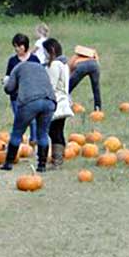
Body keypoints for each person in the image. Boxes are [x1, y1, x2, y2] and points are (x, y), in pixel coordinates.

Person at [2, 56, 56, 173]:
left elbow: (9, 89)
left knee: (17, 132)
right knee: (43, 134)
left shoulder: (17, 68)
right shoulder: (41, 68)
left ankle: (8, 163)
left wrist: (6, 84)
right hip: (49, 101)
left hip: (30, 102)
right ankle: (42, 165)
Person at [4, 34, 41, 145]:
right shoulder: (12, 61)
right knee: (19, 119)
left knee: (33, 119)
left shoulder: (34, 59)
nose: (17, 49)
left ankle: (34, 140)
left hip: (31, 95)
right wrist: (6, 82)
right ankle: (17, 141)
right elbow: (8, 76)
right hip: (16, 95)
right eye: (15, 46)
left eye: (19, 46)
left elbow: (40, 76)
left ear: (25, 46)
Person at [43, 38, 73, 169]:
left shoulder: (55, 65)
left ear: (51, 51)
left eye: (45, 52)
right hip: (64, 101)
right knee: (58, 130)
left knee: (53, 131)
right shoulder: (64, 63)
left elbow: (51, 85)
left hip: (56, 102)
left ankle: (57, 160)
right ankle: (58, 158)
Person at [68, 45, 102, 111]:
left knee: (68, 88)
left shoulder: (74, 57)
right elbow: (97, 62)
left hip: (81, 67)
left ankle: (63, 105)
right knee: (96, 89)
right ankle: (98, 109)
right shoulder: (93, 54)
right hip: (94, 65)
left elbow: (69, 70)